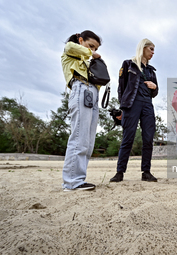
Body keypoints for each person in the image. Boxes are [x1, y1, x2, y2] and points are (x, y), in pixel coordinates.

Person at [110, 38, 159, 182]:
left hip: (147, 105)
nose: (153, 53)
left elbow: (155, 93)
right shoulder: (128, 65)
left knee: (148, 138)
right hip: (132, 104)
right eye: (151, 49)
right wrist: (122, 107)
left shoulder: (151, 71)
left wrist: (154, 87)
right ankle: (119, 172)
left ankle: (146, 172)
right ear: (143, 48)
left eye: (153, 50)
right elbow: (121, 87)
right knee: (128, 138)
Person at [61, 30, 102, 191]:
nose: (93, 50)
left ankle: (78, 178)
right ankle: (72, 181)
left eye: (96, 48)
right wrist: (91, 54)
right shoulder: (70, 50)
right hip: (80, 88)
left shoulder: (87, 59)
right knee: (79, 136)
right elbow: (72, 48)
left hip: (92, 93)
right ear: (80, 40)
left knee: (88, 141)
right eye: (90, 45)